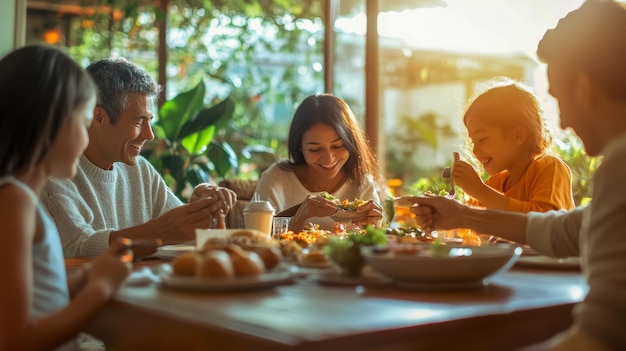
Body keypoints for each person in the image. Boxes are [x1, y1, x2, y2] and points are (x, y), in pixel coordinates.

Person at [411, 1, 626, 350]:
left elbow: (601, 337)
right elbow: (569, 228)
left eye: (559, 99)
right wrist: (463, 215)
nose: (563, 121)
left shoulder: (621, 164)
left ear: (585, 89)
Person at [0, 45, 132, 351]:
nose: (87, 139)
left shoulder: (18, 201)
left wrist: (87, 277)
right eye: (85, 124)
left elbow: (40, 301)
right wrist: (101, 287)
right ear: (53, 123)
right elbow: (15, 339)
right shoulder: (13, 203)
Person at [41, 58, 237, 258]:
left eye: (150, 121)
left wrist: (199, 211)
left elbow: (185, 237)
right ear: (98, 117)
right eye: (139, 121)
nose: (149, 135)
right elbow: (77, 249)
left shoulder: (140, 171)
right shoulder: (55, 176)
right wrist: (159, 232)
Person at [255, 94, 384, 232]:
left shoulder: (361, 182)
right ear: (300, 146)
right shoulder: (277, 178)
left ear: (350, 142)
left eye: (338, 146)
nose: (329, 159)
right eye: (315, 149)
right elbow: (256, 236)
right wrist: (300, 215)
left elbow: (375, 245)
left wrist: (374, 227)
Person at [455, 79, 575, 212]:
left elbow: (545, 222)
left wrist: (479, 190)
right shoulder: (497, 183)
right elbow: (468, 221)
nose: (475, 150)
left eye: (482, 139)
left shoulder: (550, 168)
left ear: (518, 135)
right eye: (473, 141)